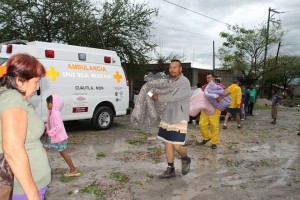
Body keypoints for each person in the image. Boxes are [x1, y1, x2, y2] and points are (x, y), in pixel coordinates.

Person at [0, 53, 51, 200]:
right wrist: (33, 194)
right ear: (20, 81)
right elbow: (13, 151)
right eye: (36, 81)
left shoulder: (8, 96)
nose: (37, 86)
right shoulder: (12, 99)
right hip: (23, 190)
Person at [152, 59, 191, 178]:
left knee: (177, 145)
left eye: (175, 67)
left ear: (180, 69)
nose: (172, 70)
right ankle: (170, 169)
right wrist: (148, 92)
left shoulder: (184, 82)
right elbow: (156, 94)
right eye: (170, 67)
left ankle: (186, 158)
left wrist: (157, 96)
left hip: (179, 117)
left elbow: (172, 97)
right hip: (166, 116)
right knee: (167, 143)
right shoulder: (168, 81)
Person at [44, 95, 81, 177]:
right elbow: (51, 124)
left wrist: (49, 132)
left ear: (53, 104)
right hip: (52, 137)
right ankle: (39, 169)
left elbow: (59, 127)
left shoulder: (56, 113)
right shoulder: (51, 113)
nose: (47, 105)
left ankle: (73, 169)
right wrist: (46, 126)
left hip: (58, 137)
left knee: (63, 153)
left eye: (48, 103)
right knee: (43, 150)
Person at [199, 73, 225, 149]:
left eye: (209, 78)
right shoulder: (204, 87)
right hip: (205, 108)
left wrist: (220, 98)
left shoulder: (219, 86)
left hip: (215, 109)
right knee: (201, 124)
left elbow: (226, 92)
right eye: (207, 78)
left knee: (214, 125)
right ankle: (206, 137)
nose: (208, 79)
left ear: (213, 78)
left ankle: (214, 143)